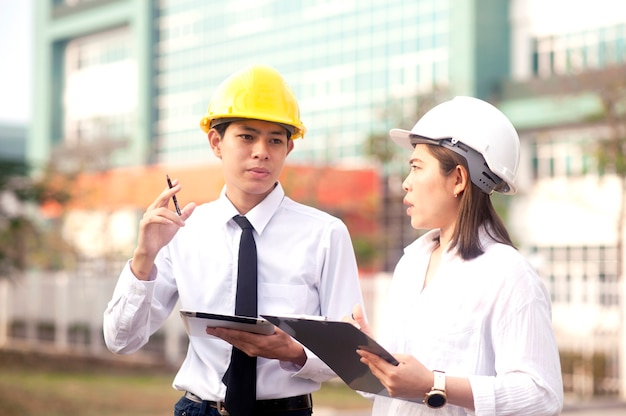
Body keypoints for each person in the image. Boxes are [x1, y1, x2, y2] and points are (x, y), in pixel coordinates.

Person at [103, 64, 364, 416]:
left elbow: (353, 358)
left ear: (289, 147)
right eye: (247, 136)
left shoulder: (325, 234)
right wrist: (143, 257)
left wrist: (295, 352)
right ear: (216, 142)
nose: (262, 151)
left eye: (275, 139)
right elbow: (121, 341)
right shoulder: (182, 231)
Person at [350, 96, 563, 415]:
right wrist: (371, 356)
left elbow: (541, 396)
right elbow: (392, 390)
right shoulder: (410, 264)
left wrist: (434, 385)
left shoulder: (508, 274)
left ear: (459, 179)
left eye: (416, 168)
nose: (406, 183)